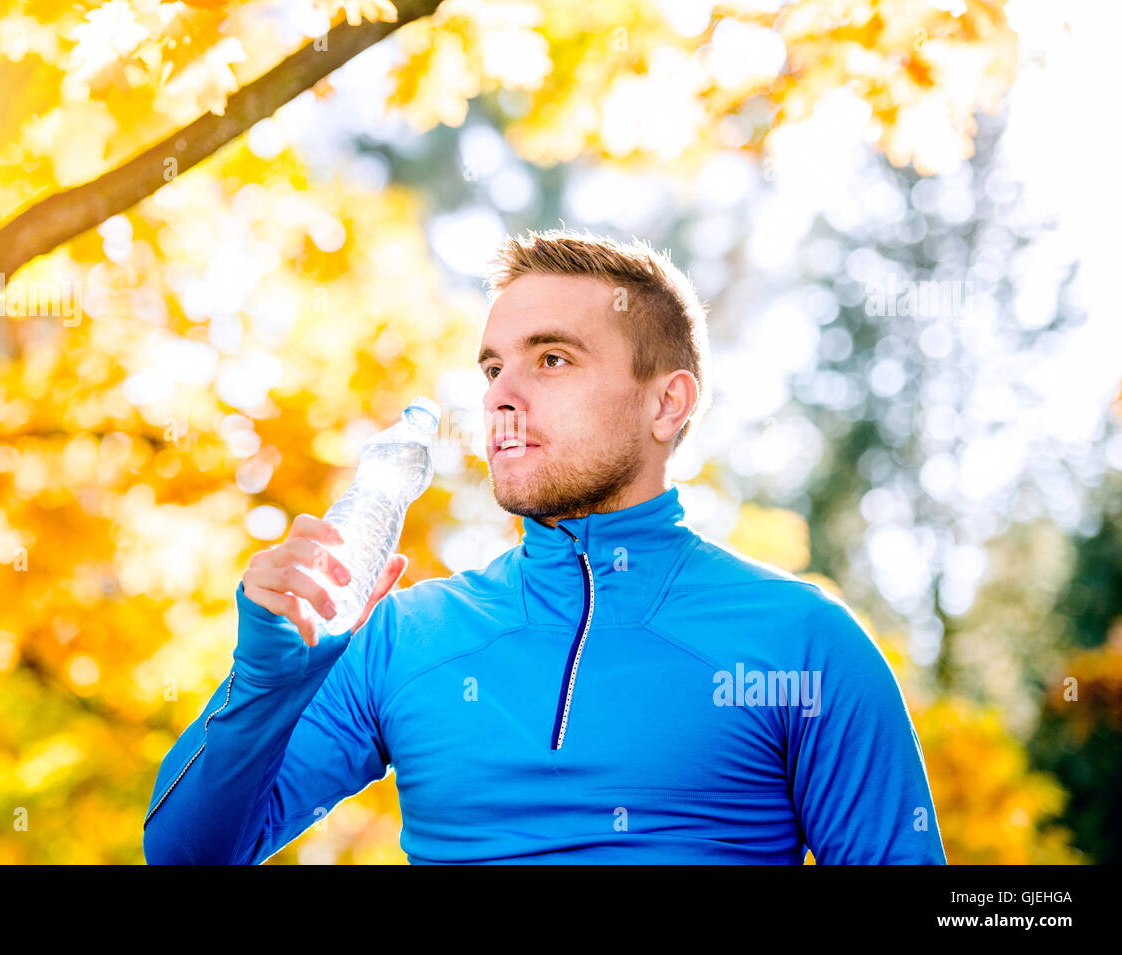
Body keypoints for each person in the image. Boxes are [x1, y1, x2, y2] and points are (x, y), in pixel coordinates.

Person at [143, 229, 947, 864]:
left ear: (668, 404)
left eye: (552, 358)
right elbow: (184, 852)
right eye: (493, 367)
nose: (501, 395)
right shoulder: (399, 635)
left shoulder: (803, 641)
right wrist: (261, 689)